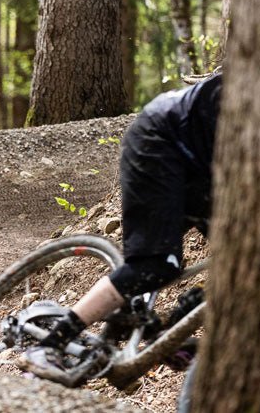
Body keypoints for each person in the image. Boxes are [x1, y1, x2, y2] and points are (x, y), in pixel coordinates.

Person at [21, 72, 223, 376]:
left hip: (200, 165)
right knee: (154, 266)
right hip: (163, 140)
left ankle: (158, 330)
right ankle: (49, 344)